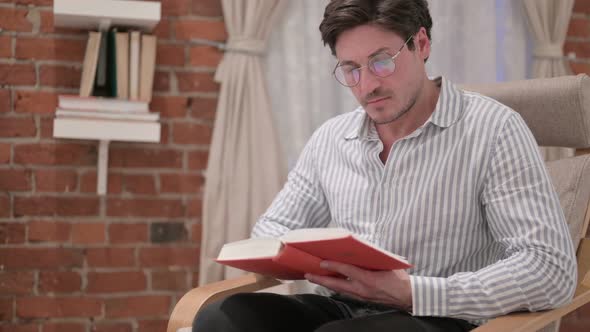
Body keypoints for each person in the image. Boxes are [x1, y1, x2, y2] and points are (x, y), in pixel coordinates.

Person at [193, 0, 577, 331]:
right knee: (221, 319)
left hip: (441, 317)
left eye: (380, 62)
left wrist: (412, 292)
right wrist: (311, 261)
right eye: (351, 69)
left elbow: (549, 270)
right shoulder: (332, 138)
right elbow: (272, 230)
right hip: (343, 308)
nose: (366, 86)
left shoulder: (494, 130)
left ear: (422, 44)